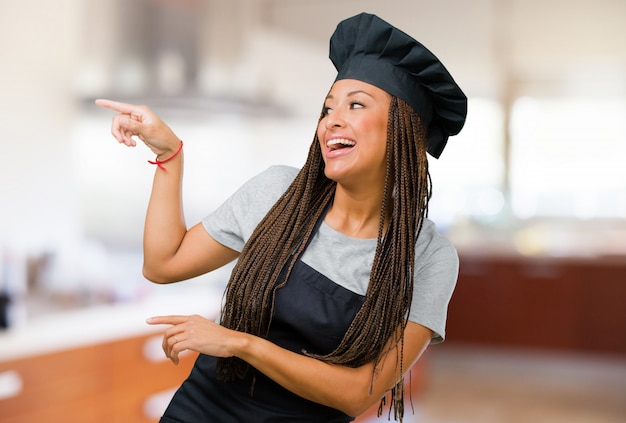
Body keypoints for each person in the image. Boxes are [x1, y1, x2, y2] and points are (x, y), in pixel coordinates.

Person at [97, 12, 466, 423]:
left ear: (404, 131)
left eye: (356, 104)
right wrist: (169, 155)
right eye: (327, 109)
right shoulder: (278, 193)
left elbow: (356, 394)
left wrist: (243, 344)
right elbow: (162, 264)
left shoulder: (428, 257)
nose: (332, 120)